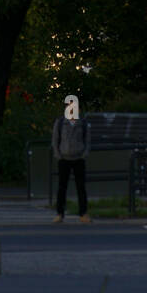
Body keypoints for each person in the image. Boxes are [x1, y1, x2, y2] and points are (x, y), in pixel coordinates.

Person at [51, 95, 91, 223]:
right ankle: (59, 213)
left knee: (81, 187)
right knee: (62, 187)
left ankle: (83, 213)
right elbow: (55, 139)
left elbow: (87, 139)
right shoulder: (61, 122)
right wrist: (58, 155)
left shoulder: (82, 122)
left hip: (78, 157)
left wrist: (84, 154)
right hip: (64, 158)